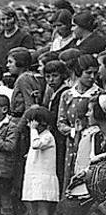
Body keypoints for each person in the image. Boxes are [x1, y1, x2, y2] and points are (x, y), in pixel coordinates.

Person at [41, 95, 106, 215]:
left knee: (99, 214)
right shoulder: (97, 135)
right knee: (70, 203)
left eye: (90, 110)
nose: (87, 113)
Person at [58, 55, 100, 185]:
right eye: (88, 73)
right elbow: (60, 122)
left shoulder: (99, 94)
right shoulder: (67, 95)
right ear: (78, 72)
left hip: (93, 143)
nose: (92, 77)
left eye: (95, 73)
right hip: (72, 144)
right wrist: (72, 132)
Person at [21, 106, 59, 215]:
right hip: (33, 177)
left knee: (43, 211)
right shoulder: (36, 135)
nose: (29, 125)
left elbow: (36, 145)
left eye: (31, 122)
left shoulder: (47, 136)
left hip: (43, 178)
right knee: (34, 211)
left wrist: (33, 130)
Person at [43, 60, 71, 189]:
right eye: (48, 76)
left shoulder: (64, 92)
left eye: (55, 76)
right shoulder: (54, 92)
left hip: (60, 136)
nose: (51, 80)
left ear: (62, 75)